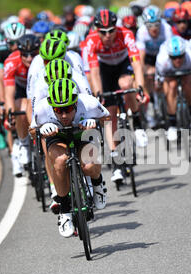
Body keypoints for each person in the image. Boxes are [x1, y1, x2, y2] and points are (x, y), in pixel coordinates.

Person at [34, 78, 109, 237]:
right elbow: (31, 131)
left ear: (75, 103)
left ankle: (97, 183)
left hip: (82, 132)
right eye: (58, 110)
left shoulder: (89, 104)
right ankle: (65, 210)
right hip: (58, 136)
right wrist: (42, 128)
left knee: (89, 165)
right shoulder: (42, 109)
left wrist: (94, 122)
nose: (63, 115)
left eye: (68, 109)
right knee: (60, 161)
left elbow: (107, 118)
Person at [83, 9, 149, 183]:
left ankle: (138, 121)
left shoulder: (126, 34)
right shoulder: (91, 40)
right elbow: (94, 73)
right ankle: (115, 160)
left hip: (123, 65)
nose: (107, 35)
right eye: (103, 32)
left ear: (116, 28)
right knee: (109, 114)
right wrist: (98, 95)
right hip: (105, 71)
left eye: (111, 30)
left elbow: (136, 64)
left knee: (126, 85)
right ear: (96, 30)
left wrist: (140, 87)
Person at [155, 36, 191, 141]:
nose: (177, 60)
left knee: (187, 84)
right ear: (169, 56)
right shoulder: (162, 60)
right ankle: (172, 124)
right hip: (169, 71)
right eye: (174, 57)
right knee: (172, 86)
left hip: (187, 69)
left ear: (184, 54)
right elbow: (159, 78)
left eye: (180, 56)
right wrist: (158, 84)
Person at [4, 34, 40, 171]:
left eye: (33, 54)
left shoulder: (43, 60)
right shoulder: (11, 62)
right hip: (21, 89)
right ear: (19, 53)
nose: (29, 58)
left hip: (38, 88)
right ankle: (24, 143)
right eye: (25, 55)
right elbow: (9, 94)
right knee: (22, 108)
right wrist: (10, 113)